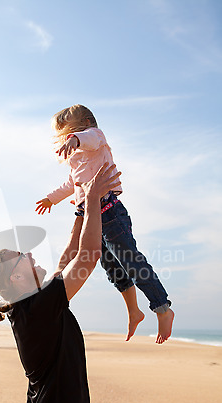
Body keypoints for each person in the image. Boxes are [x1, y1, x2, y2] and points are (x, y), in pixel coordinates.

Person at [0, 164, 121, 403]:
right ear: (16, 278)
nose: (31, 254)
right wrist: (91, 201)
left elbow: (69, 255)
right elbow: (87, 259)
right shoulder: (37, 309)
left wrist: (79, 208)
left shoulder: (33, 305)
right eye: (22, 257)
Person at [35, 104, 174, 344]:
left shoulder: (96, 137)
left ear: (86, 123)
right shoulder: (77, 160)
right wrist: (52, 198)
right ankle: (133, 310)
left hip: (110, 212)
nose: (68, 139)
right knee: (112, 268)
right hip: (91, 218)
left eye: (73, 131)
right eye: (66, 135)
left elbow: (88, 138)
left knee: (130, 259)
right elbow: (71, 184)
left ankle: (162, 307)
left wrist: (76, 139)